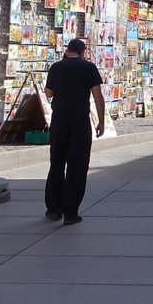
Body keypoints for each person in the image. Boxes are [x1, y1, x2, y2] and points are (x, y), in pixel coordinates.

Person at [44, 38, 105, 224]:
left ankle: (54, 209)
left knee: (57, 162)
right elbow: (97, 96)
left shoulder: (56, 67)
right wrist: (101, 121)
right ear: (83, 51)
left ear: (67, 50)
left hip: (59, 119)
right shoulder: (89, 68)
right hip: (79, 119)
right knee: (77, 165)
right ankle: (70, 212)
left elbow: (48, 93)